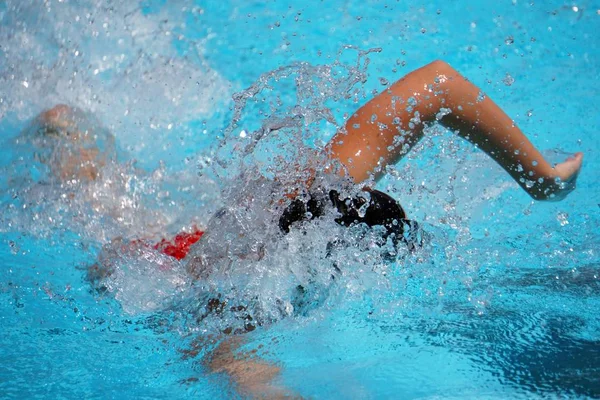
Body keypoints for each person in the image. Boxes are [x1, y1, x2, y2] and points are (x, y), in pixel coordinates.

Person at [27, 59, 583, 398]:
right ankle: (60, 137)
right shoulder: (233, 306)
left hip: (206, 232)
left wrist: (542, 180)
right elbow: (249, 379)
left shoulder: (321, 183)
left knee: (130, 199)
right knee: (97, 208)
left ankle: (66, 134)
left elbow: (438, 85)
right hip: (154, 264)